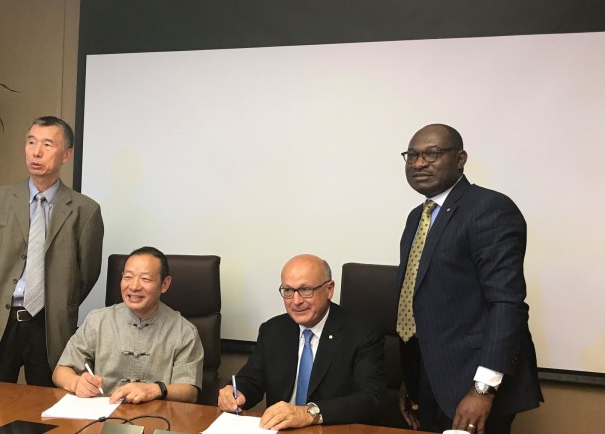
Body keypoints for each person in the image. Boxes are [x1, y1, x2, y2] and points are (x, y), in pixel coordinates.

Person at [397, 124, 543, 434]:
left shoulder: (488, 208)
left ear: (461, 159)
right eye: (412, 155)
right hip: (429, 385)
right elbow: (419, 304)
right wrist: (410, 382)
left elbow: (507, 304)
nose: (419, 163)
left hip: (473, 388)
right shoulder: (417, 217)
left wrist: (482, 390)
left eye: (432, 154)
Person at [0, 116, 104, 386]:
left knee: (47, 413)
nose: (36, 152)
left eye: (46, 144)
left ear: (66, 154)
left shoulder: (85, 211)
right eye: (31, 142)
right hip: (0, 321)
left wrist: (57, 302)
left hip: (49, 327)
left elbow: (86, 273)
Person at [218, 254, 386, 429]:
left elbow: (371, 398)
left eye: (305, 290)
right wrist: (235, 392)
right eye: (288, 291)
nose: (296, 301)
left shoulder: (362, 333)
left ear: (329, 289)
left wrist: (309, 413)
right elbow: (252, 379)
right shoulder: (273, 330)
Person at [53, 246, 204, 404]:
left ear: (165, 284)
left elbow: (190, 391)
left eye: (145, 279)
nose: (134, 286)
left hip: (155, 418)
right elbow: (60, 371)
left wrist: (154, 389)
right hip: (102, 416)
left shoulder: (184, 331)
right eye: (128, 277)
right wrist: (76, 383)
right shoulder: (97, 321)